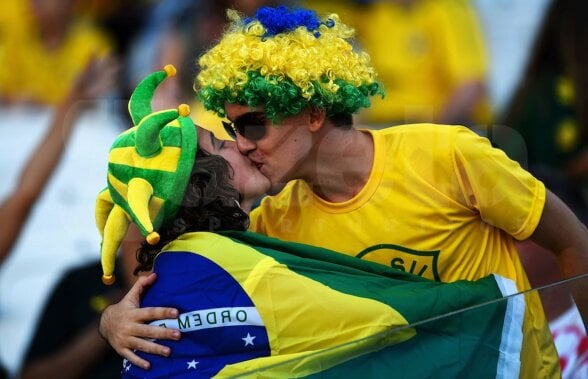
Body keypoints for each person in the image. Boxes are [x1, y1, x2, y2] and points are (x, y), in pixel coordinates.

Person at [102, 6, 588, 378]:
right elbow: (176, 268)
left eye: (253, 124)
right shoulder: (271, 225)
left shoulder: (450, 155)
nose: (242, 144)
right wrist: (115, 319)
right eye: (232, 127)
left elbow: (572, 243)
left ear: (312, 114)